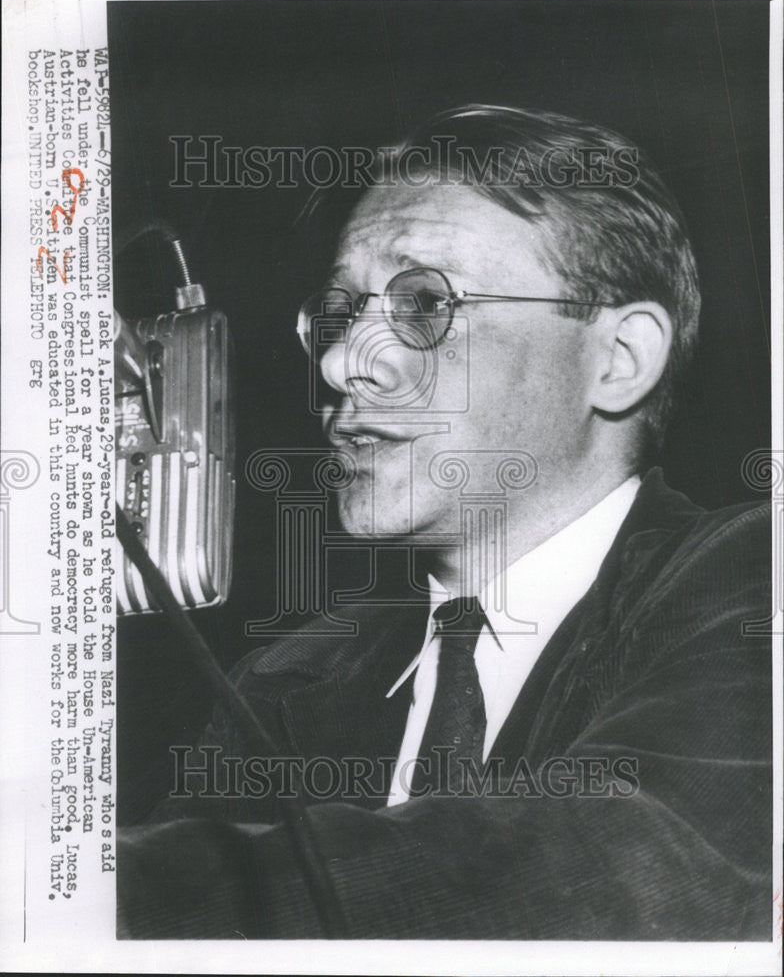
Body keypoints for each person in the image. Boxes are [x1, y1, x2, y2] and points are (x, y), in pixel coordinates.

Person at [117, 105, 772, 939]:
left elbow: (625, 868)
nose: (341, 360)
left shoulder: (752, 583)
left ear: (617, 360)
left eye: (424, 302)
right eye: (340, 311)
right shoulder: (285, 684)